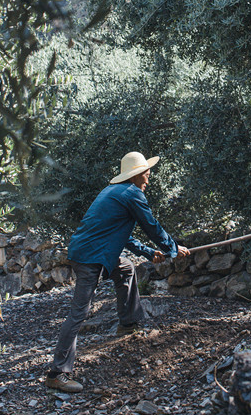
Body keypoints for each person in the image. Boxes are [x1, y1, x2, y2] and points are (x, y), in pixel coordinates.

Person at [45, 151, 189, 393]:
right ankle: (57, 373)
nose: (149, 178)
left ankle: (128, 323)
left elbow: (123, 235)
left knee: (125, 268)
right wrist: (173, 249)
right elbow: (152, 226)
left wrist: (148, 252)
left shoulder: (114, 192)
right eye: (146, 173)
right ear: (136, 175)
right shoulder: (132, 194)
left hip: (93, 252)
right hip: (90, 257)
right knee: (80, 312)